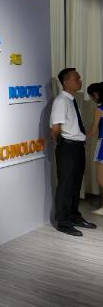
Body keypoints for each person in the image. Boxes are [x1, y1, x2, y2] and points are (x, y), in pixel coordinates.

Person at [50, 68, 97, 235]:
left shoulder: (71, 100)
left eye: (79, 78)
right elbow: (55, 129)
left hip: (77, 148)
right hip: (68, 148)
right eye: (76, 78)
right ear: (66, 82)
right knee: (65, 185)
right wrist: (63, 144)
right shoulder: (61, 101)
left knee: (76, 184)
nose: (80, 81)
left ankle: (74, 216)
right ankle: (63, 222)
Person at [86, 82, 103, 215]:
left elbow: (93, 131)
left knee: (101, 178)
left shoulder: (100, 109)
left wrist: (81, 133)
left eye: (91, 96)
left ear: (96, 94)